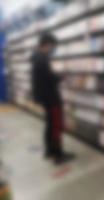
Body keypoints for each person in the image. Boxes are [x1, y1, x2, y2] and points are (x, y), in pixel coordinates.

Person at [31, 33, 74, 165]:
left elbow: (43, 78)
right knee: (56, 126)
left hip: (44, 98)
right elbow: (50, 78)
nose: (53, 50)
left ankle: (49, 152)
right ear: (47, 44)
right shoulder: (42, 58)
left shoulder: (36, 57)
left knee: (50, 125)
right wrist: (62, 76)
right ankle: (58, 156)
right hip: (51, 98)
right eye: (53, 46)